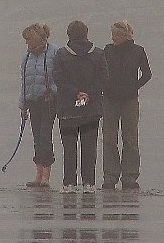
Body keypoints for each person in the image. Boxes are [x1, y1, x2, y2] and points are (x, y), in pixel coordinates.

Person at [53, 20, 108, 193]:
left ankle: (69, 183)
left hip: (68, 109)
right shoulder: (98, 54)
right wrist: (88, 94)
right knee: (89, 146)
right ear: (86, 34)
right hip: (91, 109)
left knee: (69, 148)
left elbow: (58, 78)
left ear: (69, 35)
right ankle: (89, 183)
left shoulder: (61, 54)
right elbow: (103, 78)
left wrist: (75, 93)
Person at [102, 21, 152, 190]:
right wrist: (104, 86)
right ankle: (110, 176)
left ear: (124, 35)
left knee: (130, 139)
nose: (112, 37)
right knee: (109, 138)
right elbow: (100, 71)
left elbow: (147, 74)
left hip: (129, 100)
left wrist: (134, 86)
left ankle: (129, 176)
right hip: (109, 100)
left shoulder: (138, 51)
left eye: (115, 34)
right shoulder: (107, 50)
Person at [18, 23, 59, 188]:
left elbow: (60, 75)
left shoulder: (55, 52)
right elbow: (24, 82)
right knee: (37, 137)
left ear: (37, 38)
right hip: (32, 101)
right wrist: (23, 105)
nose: (27, 43)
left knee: (45, 136)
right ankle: (38, 174)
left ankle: (46, 177)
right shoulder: (26, 56)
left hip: (49, 101)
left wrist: (54, 91)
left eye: (28, 40)